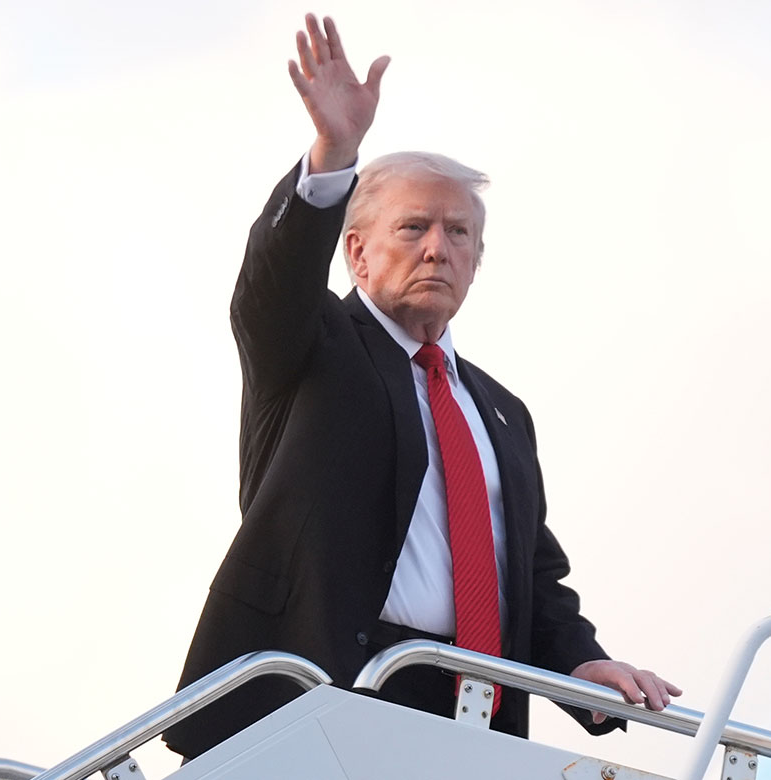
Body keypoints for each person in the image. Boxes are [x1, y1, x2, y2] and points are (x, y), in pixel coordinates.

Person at [163, 13, 680, 760]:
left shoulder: (502, 412)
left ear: (478, 260)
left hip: (471, 715)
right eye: (413, 228)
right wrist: (333, 155)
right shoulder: (314, 348)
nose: (438, 247)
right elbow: (270, 289)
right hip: (316, 698)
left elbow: (530, 575)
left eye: (458, 232)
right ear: (357, 252)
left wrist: (579, 661)